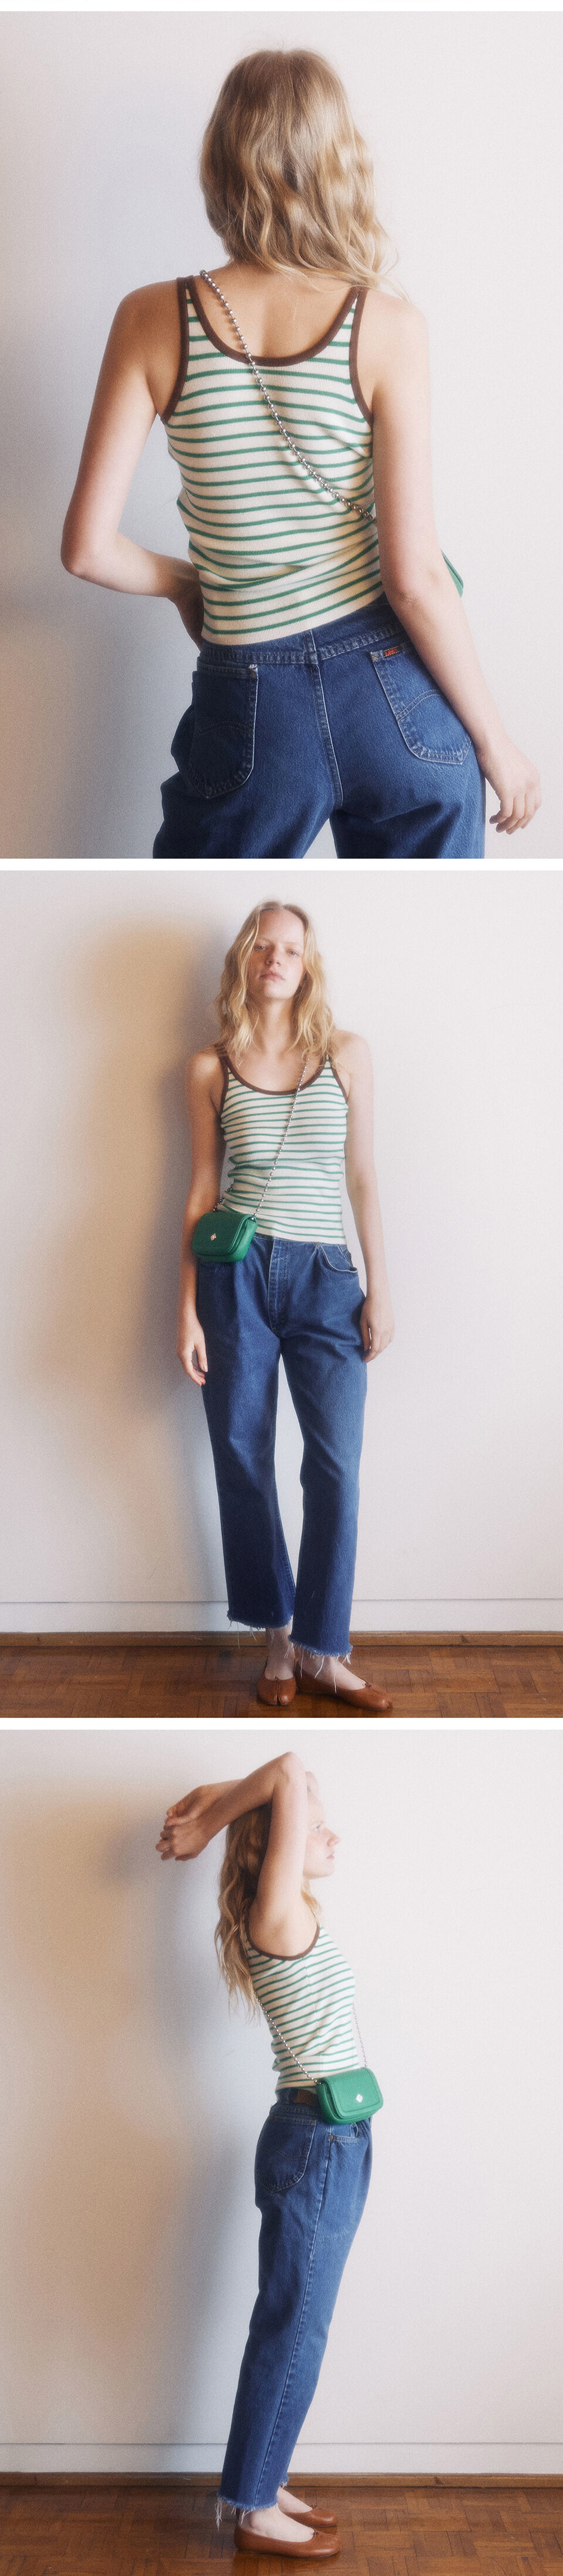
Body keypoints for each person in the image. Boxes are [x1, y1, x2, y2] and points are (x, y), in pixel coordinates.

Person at [60, 48, 540, 859]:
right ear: (337, 162)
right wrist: (498, 744)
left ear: (220, 162)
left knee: (205, 904)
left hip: (249, 701)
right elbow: (414, 577)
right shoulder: (387, 326)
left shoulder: (150, 319)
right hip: (394, 691)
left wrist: (186, 584)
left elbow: (86, 550)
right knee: (415, 922)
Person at [176, 899, 394, 1710]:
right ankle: (275, 1637)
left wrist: (380, 1288)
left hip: (327, 1276)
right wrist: (185, 1307)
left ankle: (323, 1648)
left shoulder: (346, 1053)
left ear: (308, 965)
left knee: (335, 1465)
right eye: (263, 946)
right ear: (244, 958)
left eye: (291, 949)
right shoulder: (210, 1067)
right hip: (234, 1275)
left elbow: (363, 1179)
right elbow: (201, 1190)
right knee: (243, 1454)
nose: (276, 958)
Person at [157, 1749, 376, 2553]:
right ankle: (254, 2509)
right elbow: (287, 1769)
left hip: (332, 2136)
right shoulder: (275, 1912)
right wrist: (209, 1822)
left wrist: (215, 1800)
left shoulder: (283, 1909)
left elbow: (284, 1786)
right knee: (295, 2329)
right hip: (318, 2140)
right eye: (314, 1827)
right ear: (276, 1843)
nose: (331, 1835)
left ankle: (263, 2474)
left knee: (296, 2322)